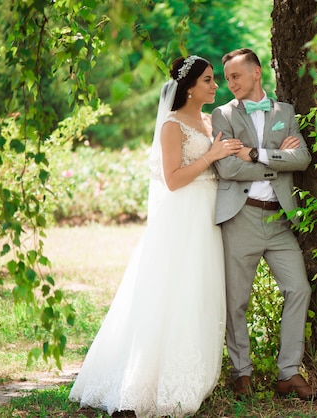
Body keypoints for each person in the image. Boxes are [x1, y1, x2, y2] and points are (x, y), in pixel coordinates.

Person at [69, 55, 242, 417]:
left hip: (209, 217)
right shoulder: (172, 125)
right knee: (172, 293)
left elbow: (220, 161)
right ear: (190, 87)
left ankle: (190, 375)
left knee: (200, 293)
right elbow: (174, 180)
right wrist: (211, 155)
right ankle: (144, 383)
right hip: (184, 217)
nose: (215, 86)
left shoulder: (210, 121)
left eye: (214, 80)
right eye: (208, 80)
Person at [211, 48, 317, 401]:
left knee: (299, 290)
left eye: (236, 76)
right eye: (227, 77)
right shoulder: (222, 115)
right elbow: (228, 168)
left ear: (256, 73)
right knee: (236, 301)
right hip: (240, 216)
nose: (230, 84)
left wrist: (257, 154)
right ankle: (241, 373)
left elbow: (303, 158)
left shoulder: (285, 112)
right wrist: (279, 160)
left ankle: (288, 373)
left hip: (279, 219)